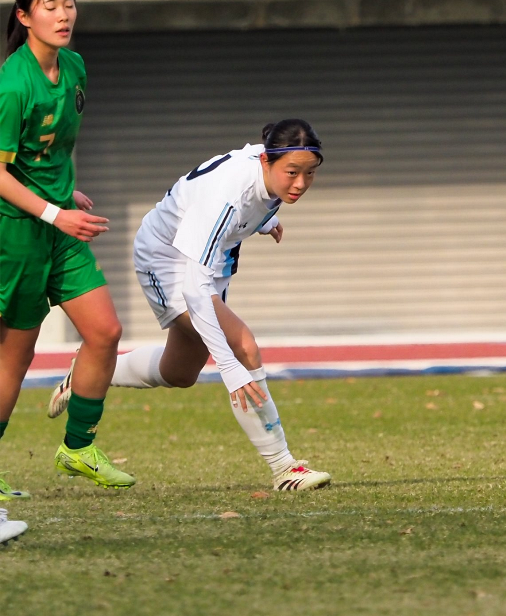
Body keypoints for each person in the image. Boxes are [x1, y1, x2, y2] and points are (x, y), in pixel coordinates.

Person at [49, 121, 332, 491]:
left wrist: (265, 219)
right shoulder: (229, 196)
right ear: (266, 161)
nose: (300, 183)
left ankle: (90, 371)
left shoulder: (266, 165)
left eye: (310, 173)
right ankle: (284, 468)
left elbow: (243, 187)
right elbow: (194, 288)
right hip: (168, 261)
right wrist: (229, 367)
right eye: (292, 173)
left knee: (180, 372)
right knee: (243, 347)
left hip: (208, 261)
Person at [0, 0, 135, 518]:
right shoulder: (13, 85)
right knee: (14, 358)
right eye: (49, 5)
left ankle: (77, 448)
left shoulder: (74, 66)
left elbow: (44, 154)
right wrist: (54, 211)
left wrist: (64, 193)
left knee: (105, 332)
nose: (63, 14)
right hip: (17, 235)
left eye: (69, 3)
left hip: (59, 225)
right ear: (24, 16)